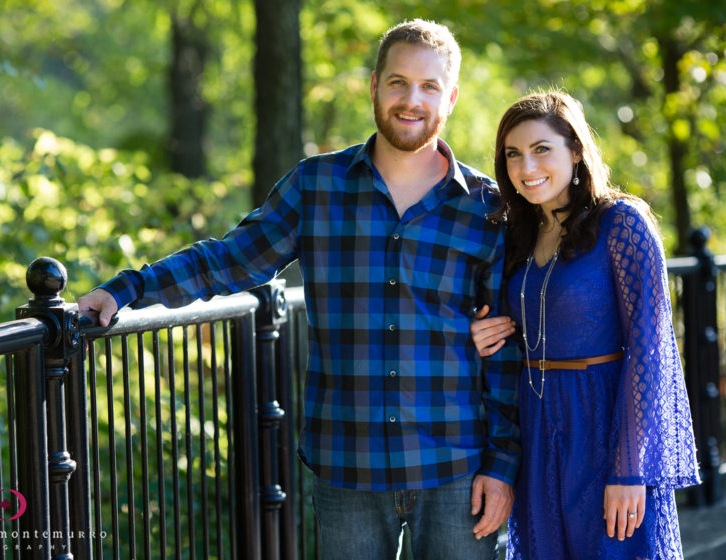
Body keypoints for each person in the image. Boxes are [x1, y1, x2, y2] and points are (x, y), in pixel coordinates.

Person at [79, 19, 521, 560]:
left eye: (429, 87)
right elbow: (230, 260)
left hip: (456, 469)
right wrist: (127, 289)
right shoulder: (317, 185)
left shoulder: (486, 208)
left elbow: (505, 351)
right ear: (375, 86)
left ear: (450, 97)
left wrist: (502, 467)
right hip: (346, 466)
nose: (412, 100)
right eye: (398, 82)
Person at [469, 90, 700, 559]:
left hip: (603, 425)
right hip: (535, 427)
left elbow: (649, 350)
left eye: (541, 149)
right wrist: (478, 333)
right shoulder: (517, 232)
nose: (525, 166)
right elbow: (517, 324)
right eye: (513, 154)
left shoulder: (622, 223)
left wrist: (629, 469)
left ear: (575, 150)